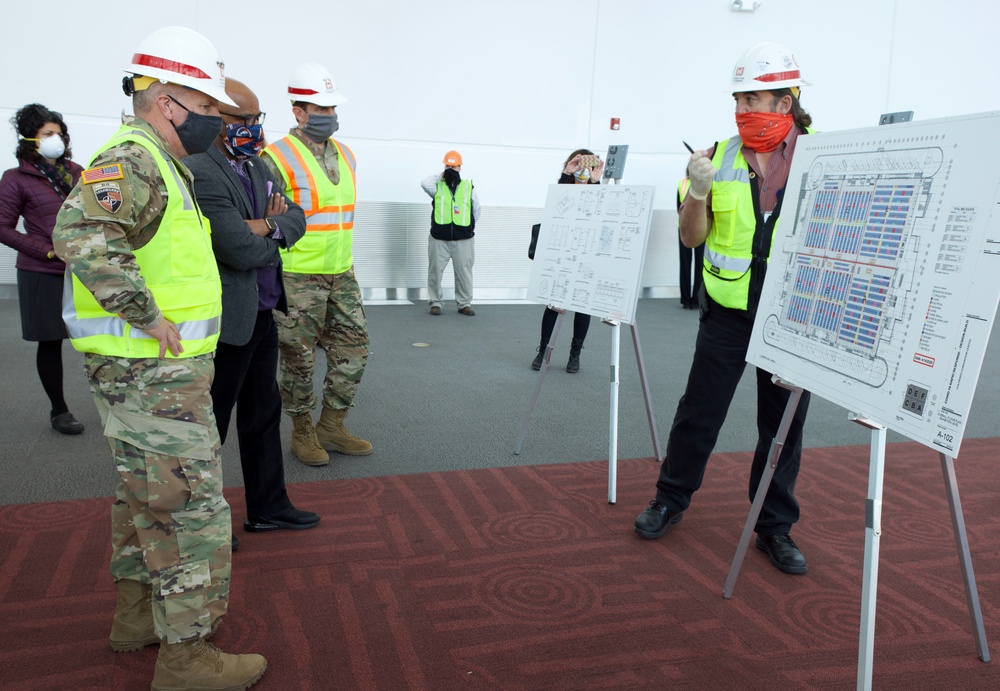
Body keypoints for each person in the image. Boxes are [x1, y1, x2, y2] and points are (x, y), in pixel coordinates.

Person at [51, 26, 266, 690]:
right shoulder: (136, 157)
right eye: (207, 110)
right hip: (151, 373)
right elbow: (77, 233)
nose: (215, 123)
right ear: (168, 99)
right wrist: (149, 316)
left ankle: (137, 616)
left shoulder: (158, 161)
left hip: (145, 373)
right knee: (191, 509)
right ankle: (187, 658)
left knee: (145, 499)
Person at [633, 42, 815, 575]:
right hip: (728, 311)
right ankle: (670, 499)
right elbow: (692, 239)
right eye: (738, 100)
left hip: (792, 317)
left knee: (782, 428)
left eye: (754, 99)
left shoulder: (824, 158)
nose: (743, 112)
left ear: (786, 103)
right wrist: (697, 189)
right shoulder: (717, 156)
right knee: (699, 413)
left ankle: (774, 527)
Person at [185, 78, 322, 540]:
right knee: (213, 423)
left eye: (256, 119)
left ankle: (268, 507)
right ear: (216, 119)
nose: (253, 128)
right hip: (227, 319)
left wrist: (264, 226)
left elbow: (297, 218)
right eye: (243, 120)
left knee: (263, 414)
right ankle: (203, 523)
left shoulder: (259, 165)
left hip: (264, 309)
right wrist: (270, 230)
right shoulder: (200, 169)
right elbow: (237, 250)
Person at [262, 62, 371, 464]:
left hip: (342, 273)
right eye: (320, 109)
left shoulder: (348, 155)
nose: (329, 116)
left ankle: (332, 424)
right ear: (298, 111)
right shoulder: (274, 157)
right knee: (298, 359)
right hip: (297, 277)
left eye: (332, 109)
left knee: (354, 350)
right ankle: (303, 430)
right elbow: (264, 220)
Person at [0, 104, 85, 435]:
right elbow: (4, 227)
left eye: (59, 134)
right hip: (43, 270)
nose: (56, 139)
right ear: (29, 140)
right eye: (47, 134)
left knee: (97, 334)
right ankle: (59, 410)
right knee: (50, 341)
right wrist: (47, 252)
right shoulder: (15, 178)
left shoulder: (79, 172)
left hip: (82, 269)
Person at [530, 149, 603, 373]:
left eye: (586, 165)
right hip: (562, 253)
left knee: (582, 305)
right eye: (578, 165)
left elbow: (599, 212)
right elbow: (555, 210)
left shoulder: (595, 189)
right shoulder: (564, 187)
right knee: (554, 303)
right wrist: (566, 173)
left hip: (586, 254)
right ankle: (543, 350)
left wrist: (595, 182)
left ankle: (575, 353)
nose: (582, 170)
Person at [421, 150, 482, 316]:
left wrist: (468, 228)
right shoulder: (437, 186)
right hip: (439, 238)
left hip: (464, 239)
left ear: (460, 167)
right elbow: (424, 183)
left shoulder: (468, 186)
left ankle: (464, 303)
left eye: (453, 166)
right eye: (448, 165)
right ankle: (435, 302)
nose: (450, 169)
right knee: (435, 271)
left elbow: (476, 210)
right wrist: (441, 175)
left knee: (464, 273)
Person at [676, 171, 704, 310]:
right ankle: (693, 300)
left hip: (687, 227)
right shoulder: (685, 183)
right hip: (696, 228)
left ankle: (688, 300)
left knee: (689, 264)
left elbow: (678, 208)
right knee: (698, 264)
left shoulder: (683, 184)